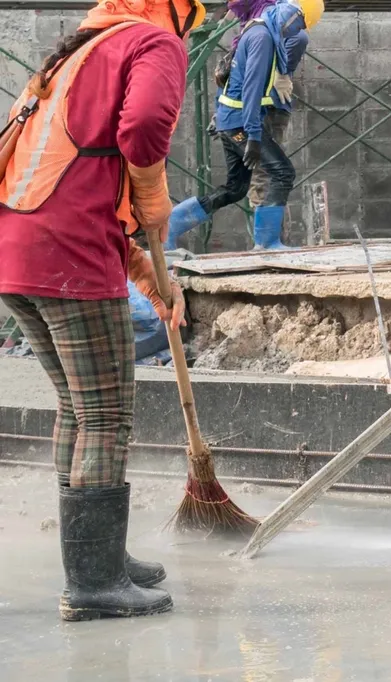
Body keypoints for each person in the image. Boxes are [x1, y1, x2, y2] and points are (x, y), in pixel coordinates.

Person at [0, 0, 199, 620]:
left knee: (79, 409)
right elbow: (141, 131)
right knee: (107, 414)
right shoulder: (153, 43)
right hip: (69, 254)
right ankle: (91, 583)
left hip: (17, 249)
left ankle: (97, 558)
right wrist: (154, 199)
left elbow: (72, 174)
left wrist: (146, 272)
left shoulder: (79, 50)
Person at [166, 0, 322, 251]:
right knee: (283, 173)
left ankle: (171, 225)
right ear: (292, 16)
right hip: (240, 122)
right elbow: (250, 89)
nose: (299, 32)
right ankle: (268, 243)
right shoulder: (263, 38)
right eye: (301, 24)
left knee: (235, 188)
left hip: (231, 119)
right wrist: (253, 135)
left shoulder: (259, 29)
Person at [240, 0, 309, 213]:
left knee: (264, 173)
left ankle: (267, 241)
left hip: (267, 108)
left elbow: (299, 37)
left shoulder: (265, 18)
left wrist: (284, 69)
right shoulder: (257, 22)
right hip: (259, 109)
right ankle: (267, 240)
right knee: (260, 175)